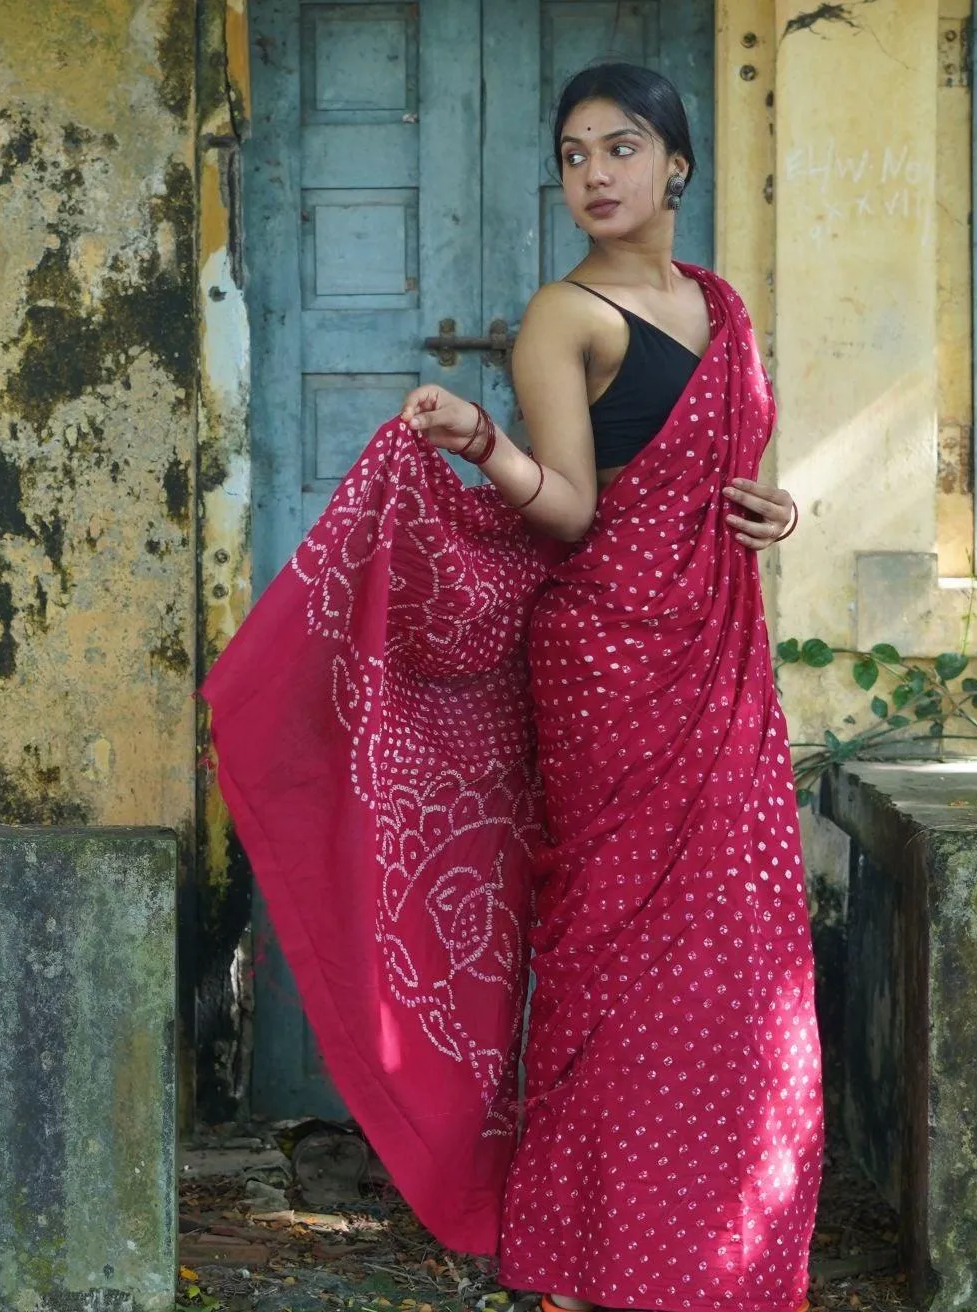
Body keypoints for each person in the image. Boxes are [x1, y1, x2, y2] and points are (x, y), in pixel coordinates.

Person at [203, 61, 822, 1312]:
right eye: (576, 154)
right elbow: (578, 512)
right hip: (608, 664)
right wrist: (486, 446)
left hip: (720, 654)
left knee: (748, 955)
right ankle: (598, 1259)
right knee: (618, 956)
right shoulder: (566, 316)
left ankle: (729, 1256)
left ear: (678, 165)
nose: (596, 173)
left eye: (623, 147)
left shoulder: (723, 305)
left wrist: (777, 507)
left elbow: (726, 466)